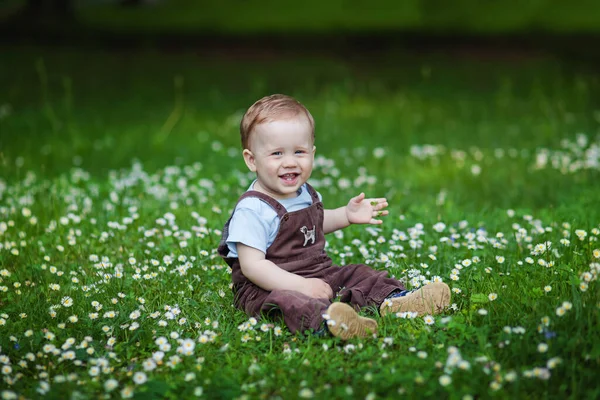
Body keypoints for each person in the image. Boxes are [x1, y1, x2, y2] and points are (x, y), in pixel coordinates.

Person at [218, 94, 450, 340]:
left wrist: (346, 215)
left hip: (317, 272)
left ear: (313, 153)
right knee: (289, 302)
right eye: (277, 154)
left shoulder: (303, 193)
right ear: (251, 159)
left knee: (357, 273)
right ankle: (332, 322)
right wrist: (300, 286)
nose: (290, 162)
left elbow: (312, 225)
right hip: (266, 286)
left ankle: (397, 302)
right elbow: (253, 266)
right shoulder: (252, 209)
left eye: (299, 151)